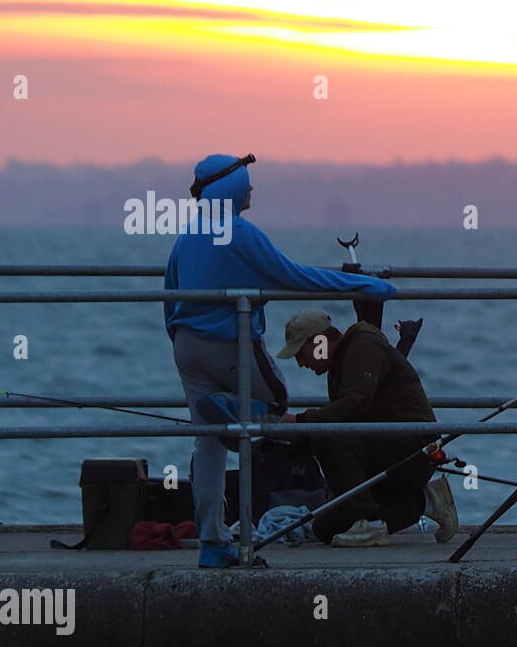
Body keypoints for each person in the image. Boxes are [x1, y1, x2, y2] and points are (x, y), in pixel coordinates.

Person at [165, 154, 397, 568]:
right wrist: (366, 284)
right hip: (228, 344)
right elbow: (297, 276)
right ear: (234, 189)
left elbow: (169, 297)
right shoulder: (240, 233)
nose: (253, 189)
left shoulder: (186, 237)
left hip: (186, 346)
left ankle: (213, 544)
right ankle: (237, 409)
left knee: (209, 443)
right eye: (248, 182)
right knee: (274, 403)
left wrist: (182, 344)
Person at [277, 308, 458, 547]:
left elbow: (355, 407)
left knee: (327, 436)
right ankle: (426, 501)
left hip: (414, 446)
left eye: (301, 353)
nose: (301, 363)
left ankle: (369, 523)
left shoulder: (362, 347)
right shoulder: (341, 363)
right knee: (326, 528)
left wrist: (299, 423)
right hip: (383, 447)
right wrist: (286, 431)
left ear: (320, 341)